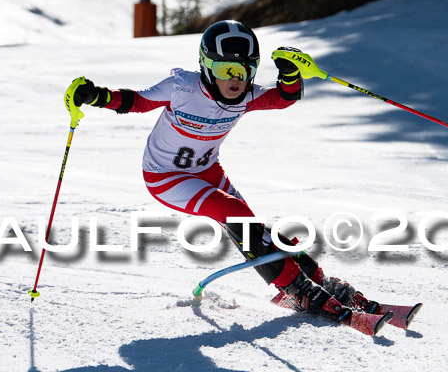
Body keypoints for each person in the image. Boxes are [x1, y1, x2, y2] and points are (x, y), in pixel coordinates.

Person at [71, 20, 377, 322]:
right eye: (224, 70)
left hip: (207, 171)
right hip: (165, 176)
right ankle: (297, 289)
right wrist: (97, 96)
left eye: (244, 71)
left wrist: (290, 73)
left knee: (253, 228)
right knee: (234, 212)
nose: (235, 80)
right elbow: (137, 101)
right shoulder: (182, 87)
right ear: (206, 67)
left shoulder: (244, 97)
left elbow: (284, 97)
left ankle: (319, 281)